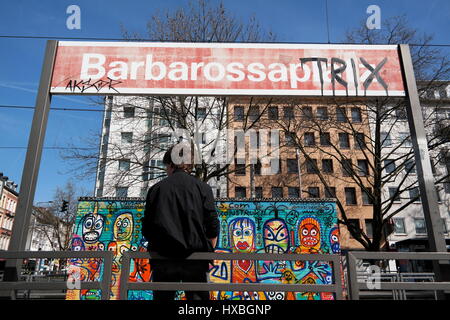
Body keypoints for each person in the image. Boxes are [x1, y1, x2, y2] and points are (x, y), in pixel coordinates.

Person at [142, 144, 219, 301]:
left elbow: (147, 228)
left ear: (171, 164)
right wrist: (209, 248)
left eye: (166, 166)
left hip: (163, 258)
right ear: (189, 165)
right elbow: (212, 225)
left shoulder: (156, 189)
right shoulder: (203, 188)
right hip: (195, 258)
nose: (166, 170)